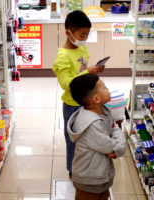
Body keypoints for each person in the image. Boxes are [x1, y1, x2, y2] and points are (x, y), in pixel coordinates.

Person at [52, 10, 104, 178]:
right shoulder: (62, 57)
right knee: (73, 140)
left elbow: (82, 70)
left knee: (87, 138)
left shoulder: (82, 49)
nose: (85, 39)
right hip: (72, 105)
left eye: (87, 34)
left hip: (86, 102)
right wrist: (86, 72)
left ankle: (85, 166)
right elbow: (66, 83)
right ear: (68, 33)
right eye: (82, 35)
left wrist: (93, 72)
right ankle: (73, 170)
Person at [68, 74, 126, 200]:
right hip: (89, 181)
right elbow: (109, 147)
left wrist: (118, 142)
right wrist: (120, 145)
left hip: (100, 177)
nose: (108, 88)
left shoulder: (104, 111)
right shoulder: (91, 124)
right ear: (96, 99)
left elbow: (115, 128)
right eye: (104, 87)